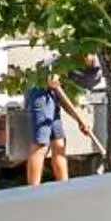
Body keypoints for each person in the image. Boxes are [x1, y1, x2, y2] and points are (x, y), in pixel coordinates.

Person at [23, 56, 97, 186]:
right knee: (41, 145)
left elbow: (66, 97)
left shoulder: (96, 68)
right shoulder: (68, 59)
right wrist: (80, 120)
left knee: (59, 144)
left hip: (54, 92)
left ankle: (64, 187)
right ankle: (32, 191)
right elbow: (59, 91)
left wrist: (80, 121)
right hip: (39, 90)